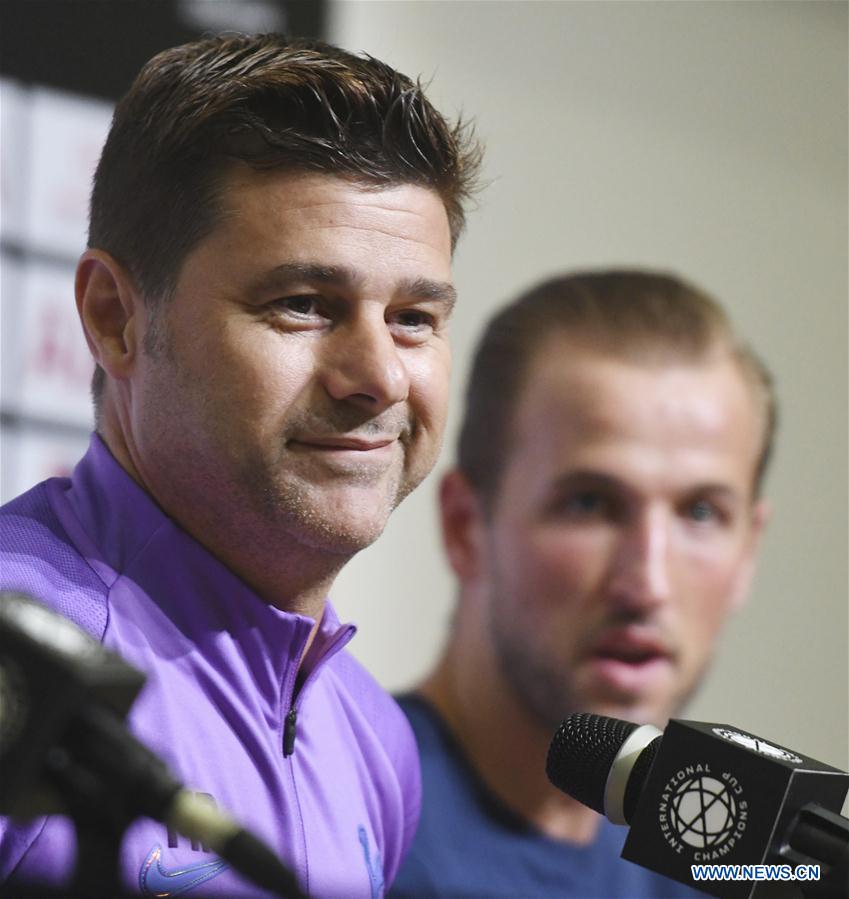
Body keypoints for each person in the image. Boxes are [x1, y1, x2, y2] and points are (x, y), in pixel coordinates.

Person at [0, 33, 481, 897]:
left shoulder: (374, 740)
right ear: (115, 318)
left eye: (413, 317)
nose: (376, 377)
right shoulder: (16, 667)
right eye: (303, 305)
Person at [391, 270, 775, 898]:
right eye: (591, 504)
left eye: (701, 513)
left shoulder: (728, 870)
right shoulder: (335, 829)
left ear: (748, 552)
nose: (647, 584)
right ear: (466, 527)